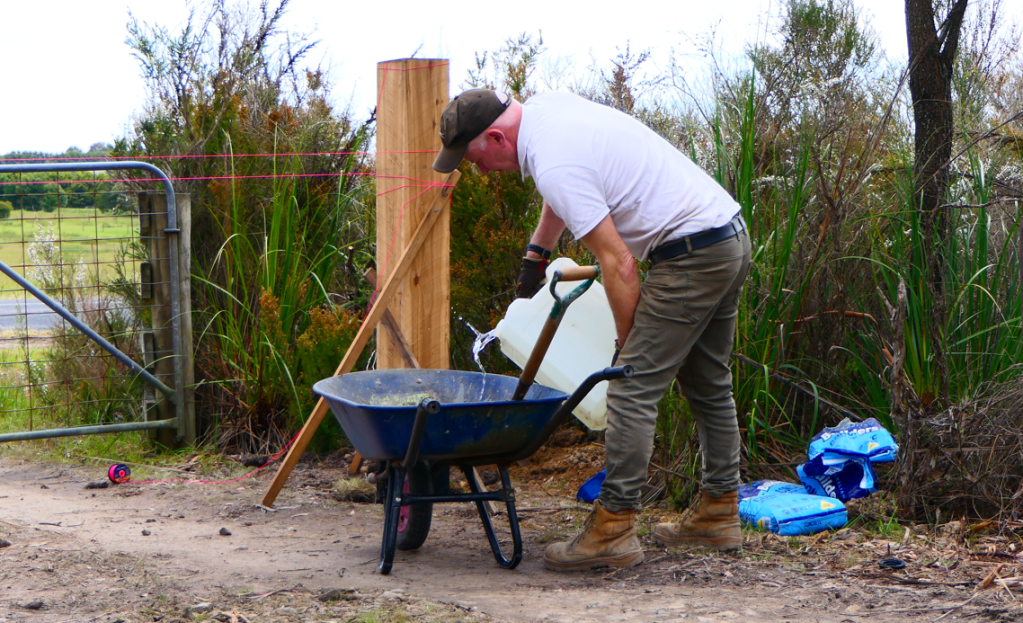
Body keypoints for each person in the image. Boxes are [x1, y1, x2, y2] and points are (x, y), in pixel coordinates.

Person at [433, 89, 751, 571]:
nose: (481, 171)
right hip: (726, 238)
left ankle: (613, 529)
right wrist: (537, 253)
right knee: (708, 382)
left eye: (477, 159)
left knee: (629, 387)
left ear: (496, 137)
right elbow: (564, 195)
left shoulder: (552, 162)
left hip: (688, 257)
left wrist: (625, 345)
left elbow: (619, 264)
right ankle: (718, 512)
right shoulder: (546, 110)